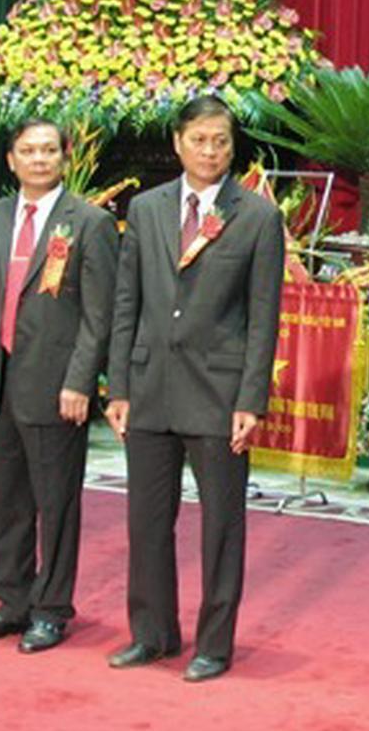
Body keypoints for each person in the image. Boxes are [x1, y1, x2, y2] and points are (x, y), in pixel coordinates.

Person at [105, 95, 286, 682]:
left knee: (221, 527)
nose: (210, 151)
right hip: (149, 388)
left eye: (221, 141)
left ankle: (214, 644)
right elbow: (127, 302)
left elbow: (263, 317)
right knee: (146, 521)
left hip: (219, 393)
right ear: (178, 143)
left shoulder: (257, 216)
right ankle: (151, 633)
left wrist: (251, 400)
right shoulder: (147, 207)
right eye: (200, 140)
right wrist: (119, 386)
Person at [0, 119, 118, 654]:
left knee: (56, 505)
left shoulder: (90, 223)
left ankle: (51, 609)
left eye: (48, 150)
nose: (39, 159)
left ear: (65, 157)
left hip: (56, 385)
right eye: (28, 150)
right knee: (4, 504)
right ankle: (12, 601)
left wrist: (81, 381)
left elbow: (99, 315)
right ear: (11, 160)